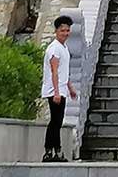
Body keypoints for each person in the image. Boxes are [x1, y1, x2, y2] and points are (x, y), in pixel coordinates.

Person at [42, 14, 76, 161]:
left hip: (61, 89)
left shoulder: (64, 48)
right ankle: (51, 151)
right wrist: (56, 92)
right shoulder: (54, 48)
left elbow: (64, 71)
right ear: (56, 31)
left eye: (67, 30)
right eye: (62, 30)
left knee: (58, 121)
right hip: (54, 90)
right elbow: (54, 70)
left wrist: (70, 87)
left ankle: (55, 151)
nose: (65, 33)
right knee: (55, 122)